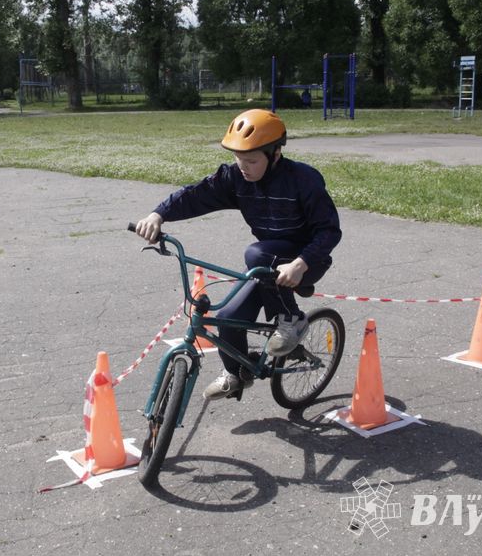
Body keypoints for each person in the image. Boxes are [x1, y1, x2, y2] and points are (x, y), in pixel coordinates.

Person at [135, 109, 342, 400]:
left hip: (309, 259)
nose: (243, 167)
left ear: (276, 154)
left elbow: (329, 231)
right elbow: (197, 194)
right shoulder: (236, 179)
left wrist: (300, 263)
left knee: (256, 253)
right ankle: (236, 373)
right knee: (228, 317)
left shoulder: (304, 180)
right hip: (267, 264)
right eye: (238, 158)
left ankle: (291, 319)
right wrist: (159, 214)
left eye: (252, 160)